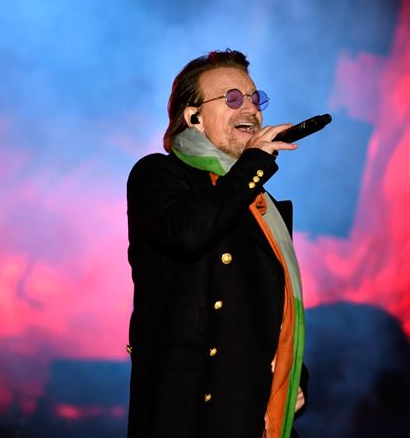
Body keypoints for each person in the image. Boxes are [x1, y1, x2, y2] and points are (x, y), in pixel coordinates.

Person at [126, 49, 307, 438]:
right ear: (194, 117)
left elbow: (266, 309)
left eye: (255, 99)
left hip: (251, 409)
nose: (251, 109)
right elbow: (188, 234)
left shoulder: (260, 204)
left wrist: (294, 376)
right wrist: (254, 165)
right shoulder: (158, 174)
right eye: (233, 99)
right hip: (190, 409)